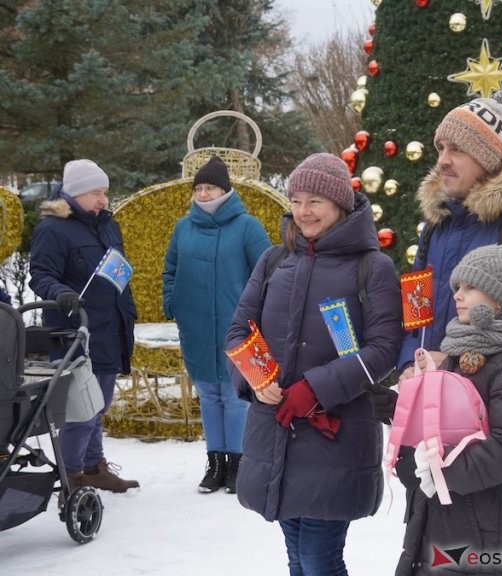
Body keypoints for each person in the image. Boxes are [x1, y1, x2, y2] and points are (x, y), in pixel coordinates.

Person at [225, 153, 403, 575]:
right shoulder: (274, 261)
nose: (303, 212)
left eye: (315, 202)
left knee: (319, 560)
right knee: (296, 558)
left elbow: (383, 348)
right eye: (297, 200)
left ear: (340, 204)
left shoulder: (371, 267)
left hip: (335, 438)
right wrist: (254, 377)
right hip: (275, 432)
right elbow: (238, 330)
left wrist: (317, 388)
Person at [393, 245, 502, 576]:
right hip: (444, 518)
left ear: (499, 298)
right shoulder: (457, 347)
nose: (458, 296)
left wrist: (441, 473)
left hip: (488, 527)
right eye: (457, 288)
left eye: (470, 288)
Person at [396, 89, 502, 381]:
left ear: (487, 160)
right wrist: (407, 363)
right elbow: (416, 311)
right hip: (428, 390)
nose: (443, 161)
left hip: (495, 398)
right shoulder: (435, 226)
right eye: (441, 148)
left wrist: (455, 361)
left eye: (457, 150)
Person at [29, 159, 140, 492]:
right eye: (96, 193)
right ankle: (73, 475)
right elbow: (40, 274)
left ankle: (93, 467)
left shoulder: (106, 224)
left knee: (99, 404)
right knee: (82, 408)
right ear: (76, 194)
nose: (103, 200)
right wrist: (60, 292)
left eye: (104, 192)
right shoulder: (53, 229)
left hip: (111, 327)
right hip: (76, 329)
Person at [162, 156, 271, 494]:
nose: (203, 194)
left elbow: (268, 273)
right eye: (199, 188)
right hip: (194, 324)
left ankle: (238, 463)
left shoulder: (247, 226)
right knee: (208, 394)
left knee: (234, 394)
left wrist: (261, 315)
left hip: (235, 325)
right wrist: (173, 302)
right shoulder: (183, 227)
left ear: (224, 190)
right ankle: (215, 463)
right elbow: (170, 269)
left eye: (210, 187)